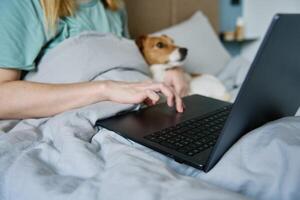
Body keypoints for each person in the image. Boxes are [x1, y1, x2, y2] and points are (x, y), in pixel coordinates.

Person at [0, 0, 189, 119]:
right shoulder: (20, 5)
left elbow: (128, 63)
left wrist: (170, 69)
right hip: (87, 118)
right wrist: (104, 89)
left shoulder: (115, 6)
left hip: (146, 112)